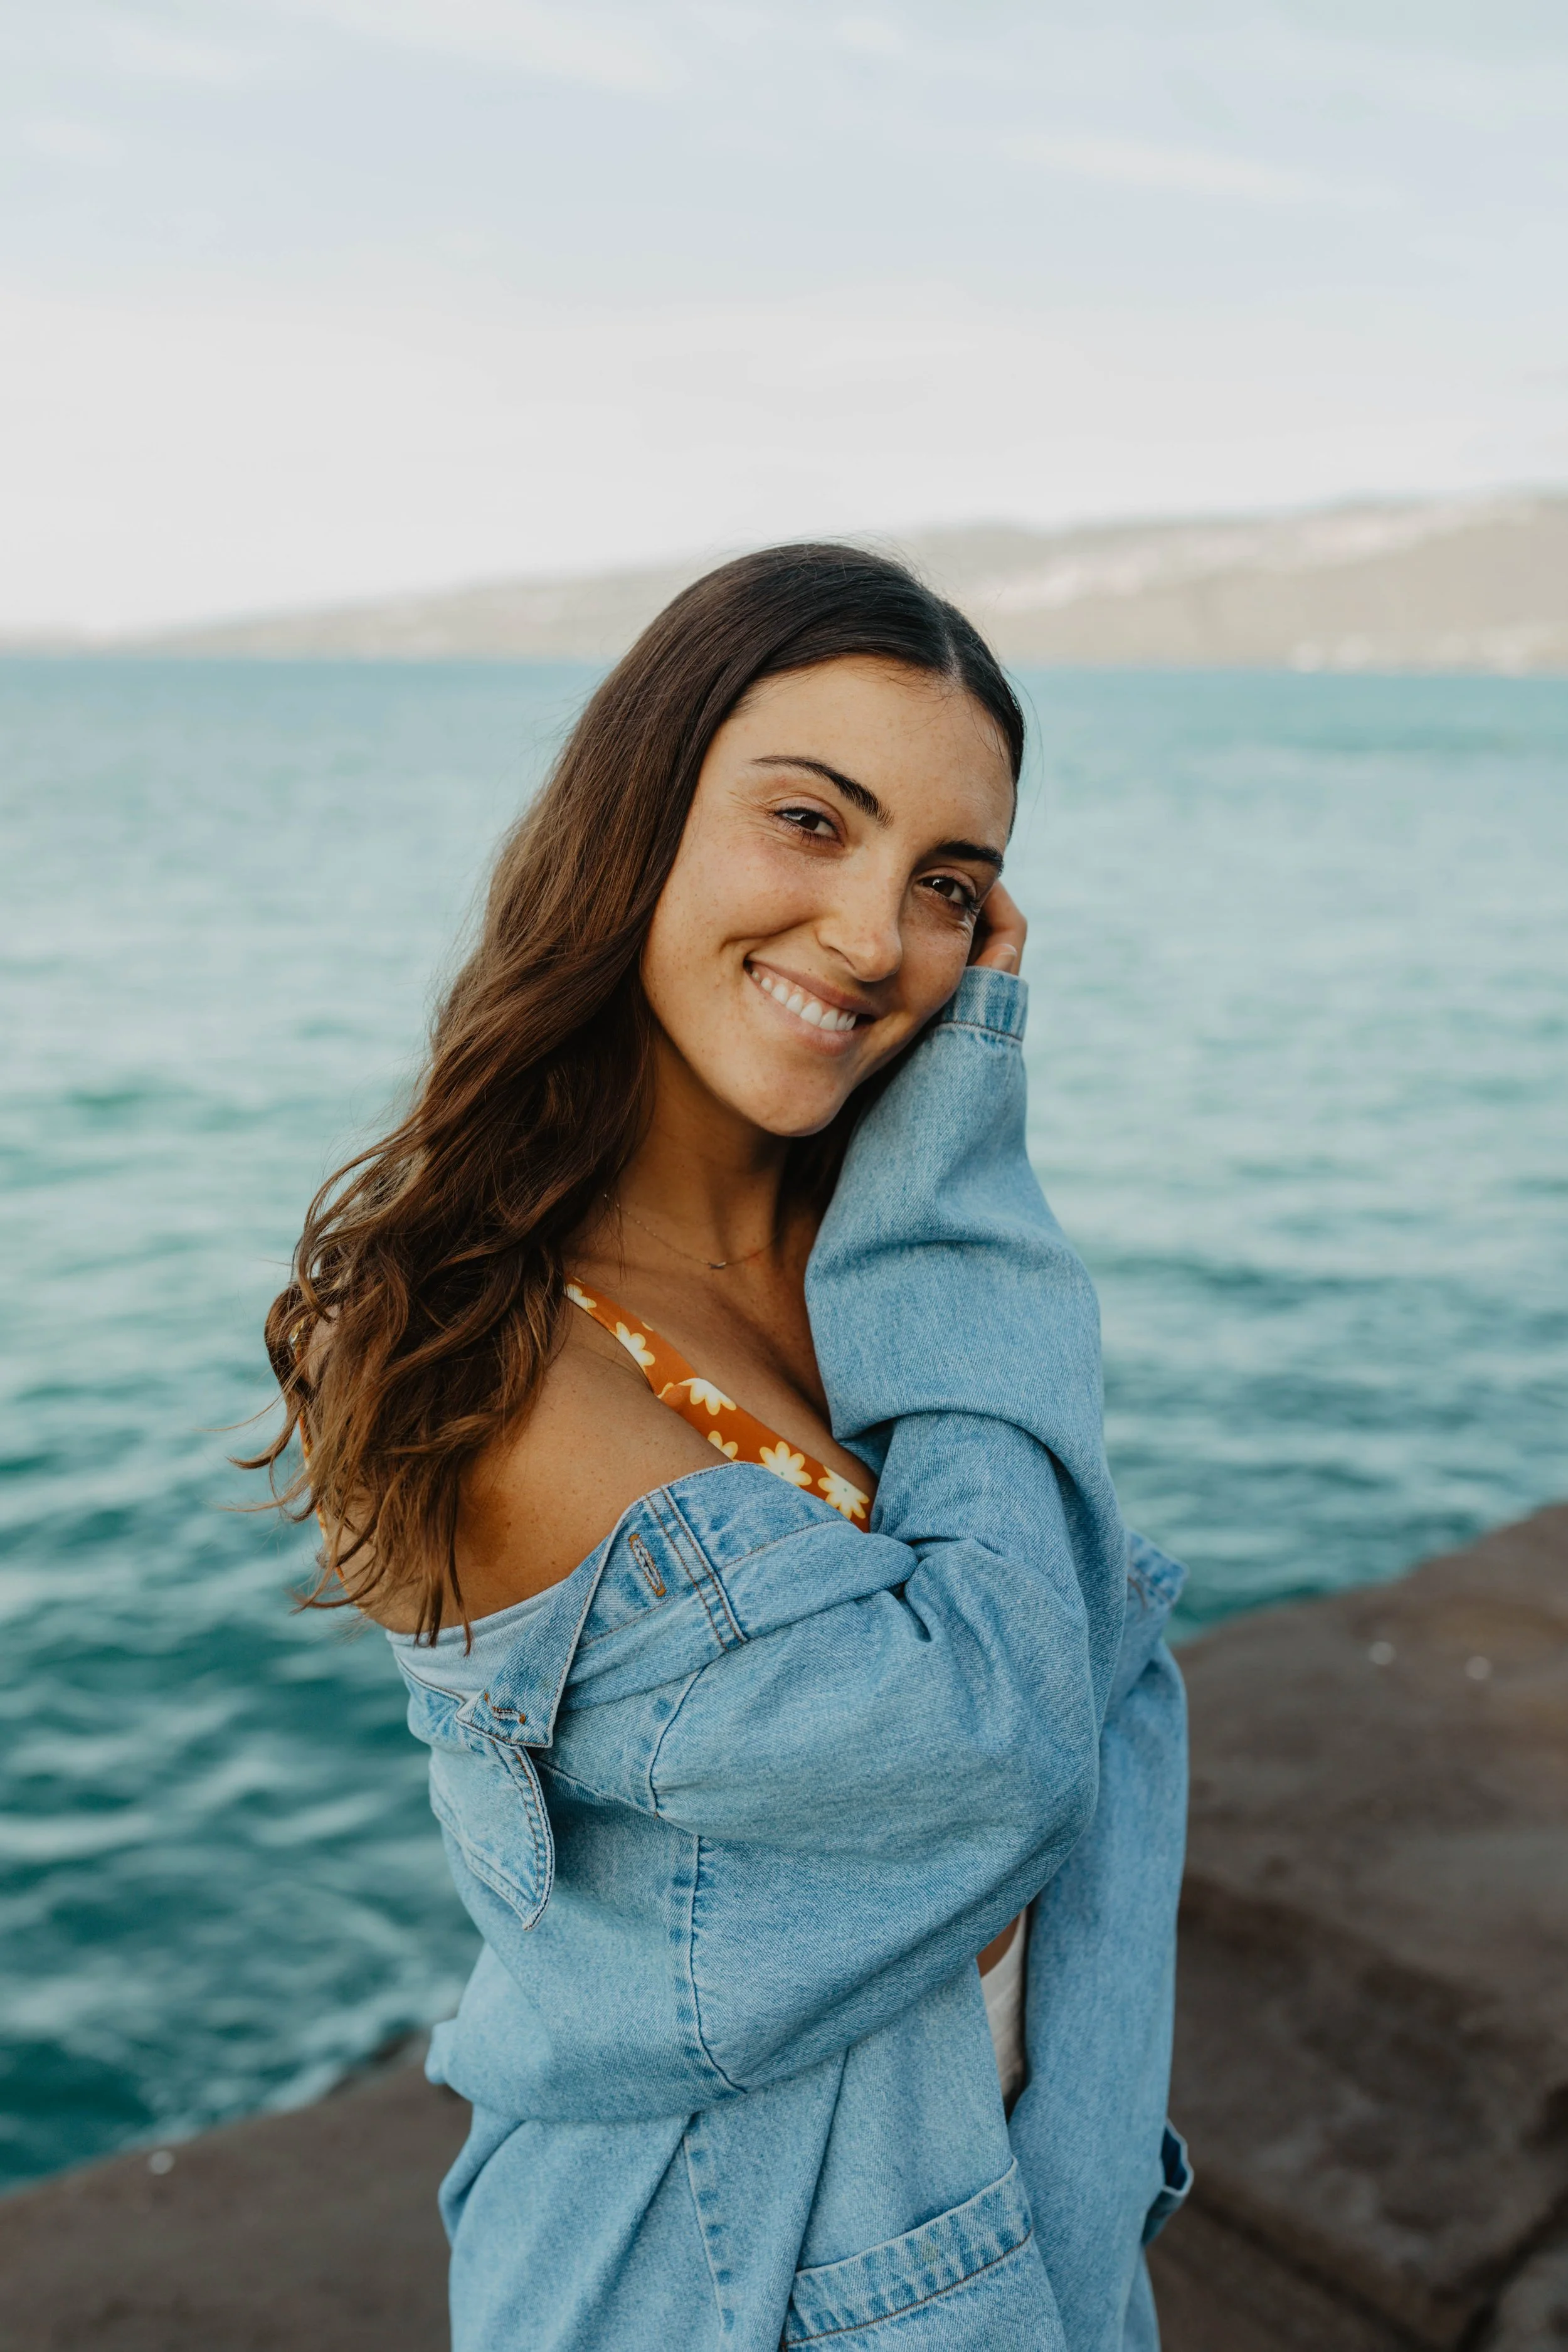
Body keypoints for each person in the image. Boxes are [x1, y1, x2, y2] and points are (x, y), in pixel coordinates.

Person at [252, 545, 1190, 2350]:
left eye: (948, 885)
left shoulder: (859, 1277)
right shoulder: (485, 1342)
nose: (870, 935)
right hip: (700, 2281)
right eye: (806, 821)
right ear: (640, 816)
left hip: (1027, 2246)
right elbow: (997, 1737)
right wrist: (960, 1154)